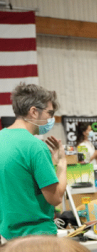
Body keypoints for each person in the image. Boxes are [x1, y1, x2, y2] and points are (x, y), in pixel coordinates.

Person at [0, 83, 67, 241]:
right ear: (33, 111)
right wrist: (62, 163)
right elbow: (55, 198)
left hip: (7, 237)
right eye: (49, 113)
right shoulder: (36, 147)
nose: (50, 119)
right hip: (38, 239)